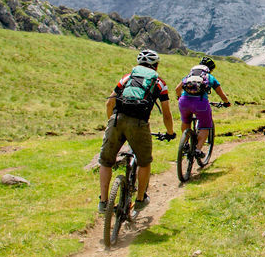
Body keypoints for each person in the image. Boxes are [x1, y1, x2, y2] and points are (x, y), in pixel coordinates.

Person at [98, 48, 176, 214]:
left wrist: (111, 122)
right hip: (139, 124)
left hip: (117, 120)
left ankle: (103, 202)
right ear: (156, 65)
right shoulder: (159, 83)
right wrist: (170, 132)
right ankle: (140, 199)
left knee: (105, 161)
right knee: (144, 162)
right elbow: (167, 114)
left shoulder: (127, 77)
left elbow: (109, 103)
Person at [177, 56, 231, 164]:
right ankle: (197, 149)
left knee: (186, 121)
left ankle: (185, 143)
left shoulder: (189, 76)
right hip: (200, 103)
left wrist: (179, 98)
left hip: (184, 102)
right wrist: (226, 102)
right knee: (206, 125)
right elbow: (221, 94)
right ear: (210, 69)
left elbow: (177, 89)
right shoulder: (210, 77)